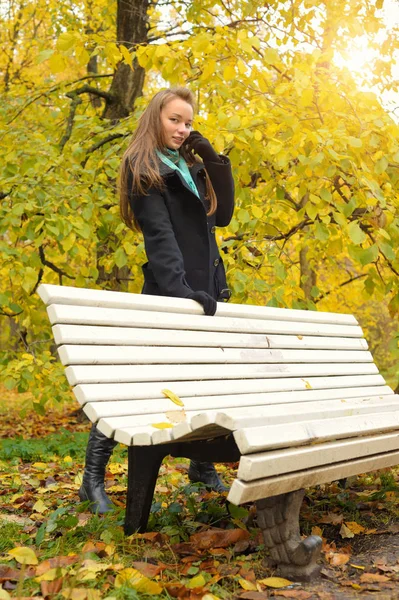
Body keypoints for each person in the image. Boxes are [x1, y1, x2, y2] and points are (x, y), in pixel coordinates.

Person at [78, 87, 235, 513]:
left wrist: (213, 158)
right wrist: (181, 292)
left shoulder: (189, 167)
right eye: (175, 120)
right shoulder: (144, 167)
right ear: (156, 119)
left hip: (206, 292)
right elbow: (159, 238)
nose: (183, 129)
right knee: (134, 389)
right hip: (173, 292)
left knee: (206, 380)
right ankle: (91, 480)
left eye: (188, 122)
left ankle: (202, 468)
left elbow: (223, 217)